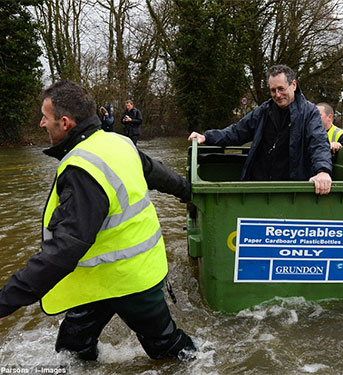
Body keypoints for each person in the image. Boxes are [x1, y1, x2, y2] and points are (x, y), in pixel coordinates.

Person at [0, 81, 196, 361]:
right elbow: (157, 172)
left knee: (167, 349)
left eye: (45, 116)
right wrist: (188, 192)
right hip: (101, 278)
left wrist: (6, 302)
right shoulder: (117, 141)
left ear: (65, 122)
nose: (42, 123)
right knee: (72, 349)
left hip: (131, 280)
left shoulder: (82, 169)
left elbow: (64, 250)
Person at [188, 64, 332, 195]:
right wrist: (207, 137)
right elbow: (237, 132)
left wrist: (323, 171)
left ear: (293, 85)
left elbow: (318, 142)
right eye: (273, 90)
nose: (277, 95)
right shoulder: (264, 111)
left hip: (290, 189)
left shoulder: (309, 112)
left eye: (281, 89)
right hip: (259, 186)